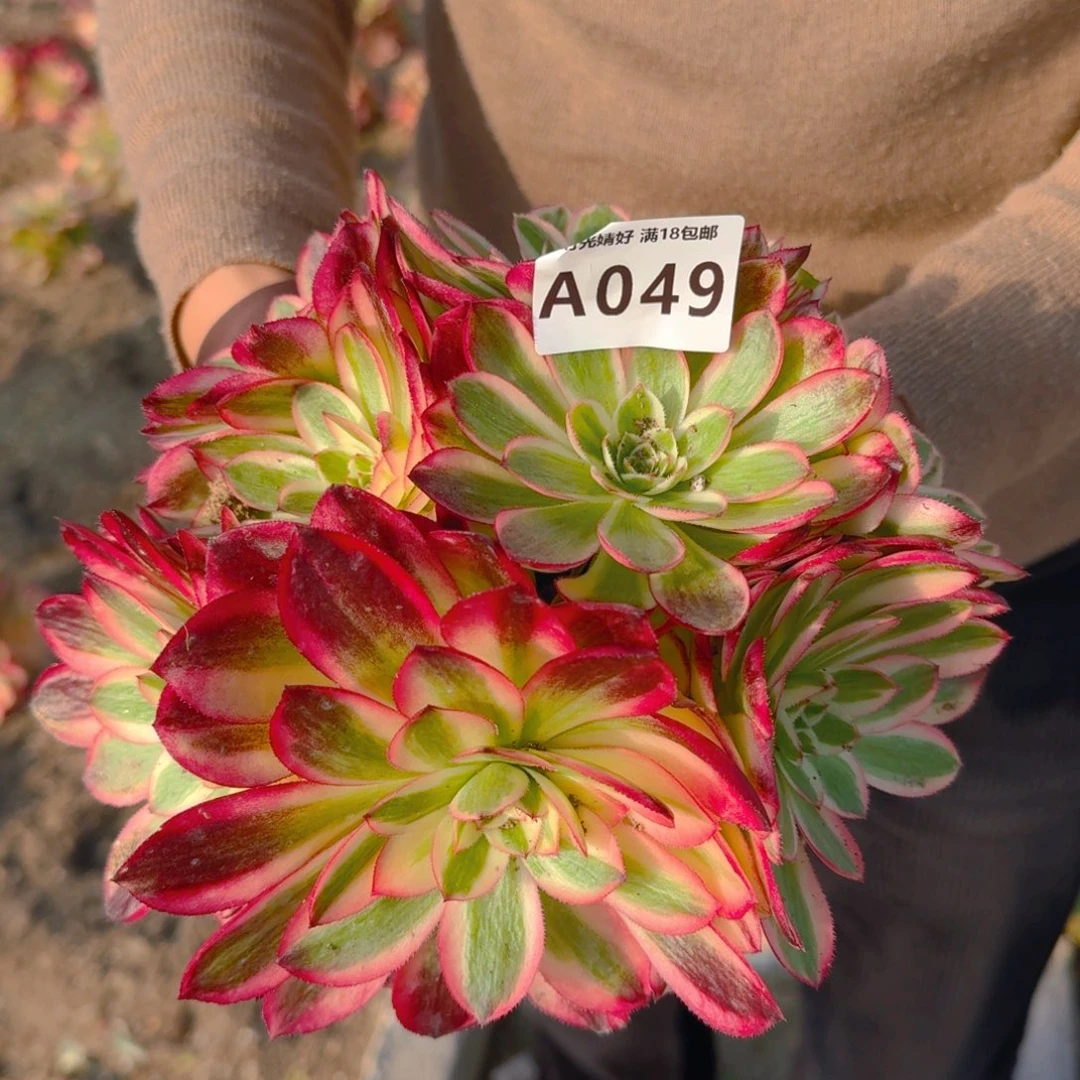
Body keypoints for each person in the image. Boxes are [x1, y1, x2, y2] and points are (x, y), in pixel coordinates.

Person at [96, 3, 1080, 1077]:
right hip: (485, 408)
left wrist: (869, 438)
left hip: (988, 504)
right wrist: (245, 307)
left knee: (937, 1000)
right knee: (599, 1006)